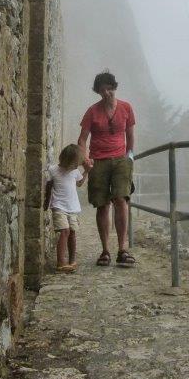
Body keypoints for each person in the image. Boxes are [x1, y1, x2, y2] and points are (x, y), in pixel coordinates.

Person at [77, 70, 136, 267]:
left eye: (109, 89)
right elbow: (82, 139)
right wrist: (85, 158)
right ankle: (105, 251)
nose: (106, 93)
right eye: (102, 90)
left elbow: (130, 134)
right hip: (98, 161)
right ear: (98, 92)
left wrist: (130, 156)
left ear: (114, 88)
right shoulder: (92, 111)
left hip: (120, 159)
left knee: (121, 199)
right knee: (102, 204)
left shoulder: (126, 108)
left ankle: (123, 249)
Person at [44, 143, 91, 272]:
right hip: (59, 206)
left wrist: (86, 171)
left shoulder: (75, 171)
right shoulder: (53, 170)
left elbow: (80, 184)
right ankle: (60, 262)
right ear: (67, 160)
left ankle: (72, 260)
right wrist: (46, 204)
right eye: (75, 164)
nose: (77, 166)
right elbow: (48, 187)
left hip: (73, 207)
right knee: (65, 231)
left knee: (72, 233)